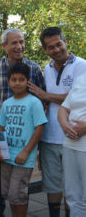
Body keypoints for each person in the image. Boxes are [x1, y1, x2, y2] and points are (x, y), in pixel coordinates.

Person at [0, 28, 45, 217]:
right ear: (4, 46)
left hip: (25, 129)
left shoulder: (34, 68)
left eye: (21, 42)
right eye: (14, 43)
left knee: (21, 172)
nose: (19, 46)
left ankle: (19, 208)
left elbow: (42, 99)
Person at [28, 27, 86, 217]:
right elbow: (53, 101)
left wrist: (46, 95)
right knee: (52, 184)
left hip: (76, 136)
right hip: (50, 136)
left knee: (74, 186)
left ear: (65, 42)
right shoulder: (48, 68)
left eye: (58, 44)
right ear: (45, 50)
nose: (56, 49)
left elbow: (75, 97)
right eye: (50, 47)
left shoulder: (81, 66)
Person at [0, 62, 47, 217]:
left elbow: (39, 129)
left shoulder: (34, 102)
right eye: (14, 79)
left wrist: (25, 152)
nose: (17, 83)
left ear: (28, 81)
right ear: (8, 81)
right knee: (8, 193)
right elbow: (0, 128)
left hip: (23, 158)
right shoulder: (6, 103)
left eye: (21, 79)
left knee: (18, 193)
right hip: (7, 157)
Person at [58, 73, 86, 217]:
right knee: (73, 196)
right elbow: (64, 107)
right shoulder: (81, 78)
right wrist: (64, 124)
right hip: (70, 144)